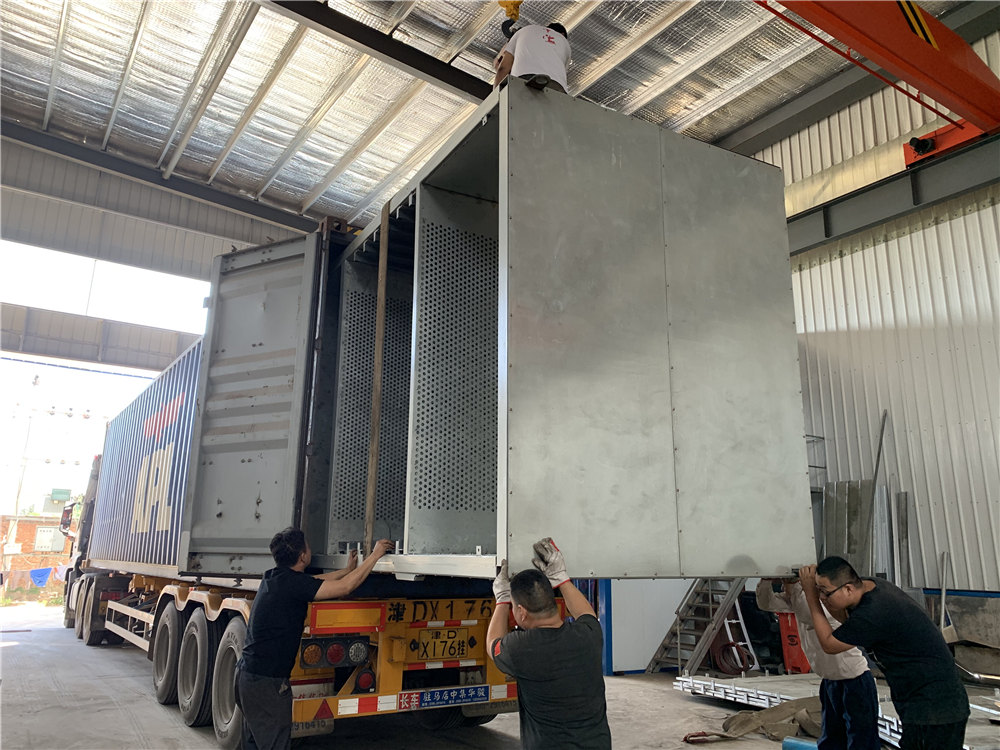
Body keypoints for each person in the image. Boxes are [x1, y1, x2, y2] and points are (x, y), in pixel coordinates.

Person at [236, 528, 392, 750]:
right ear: (302, 557)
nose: (310, 550)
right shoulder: (292, 585)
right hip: (266, 685)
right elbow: (346, 587)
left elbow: (315, 581)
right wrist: (375, 555)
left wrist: (347, 570)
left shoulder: (275, 578)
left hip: (248, 678)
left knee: (254, 743)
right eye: (308, 547)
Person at [799, 556, 970, 750]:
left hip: (934, 708)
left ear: (848, 588)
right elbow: (847, 620)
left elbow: (829, 644)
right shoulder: (870, 587)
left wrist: (811, 597)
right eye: (819, 591)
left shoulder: (874, 612)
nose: (822, 597)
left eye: (825, 592)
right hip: (924, 701)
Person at [487, 537, 612, 749]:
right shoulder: (588, 635)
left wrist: (502, 600)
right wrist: (562, 579)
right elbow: (586, 613)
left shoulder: (520, 649)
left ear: (522, 612)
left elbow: (492, 644)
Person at [756, 578, 880, 749]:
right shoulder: (800, 601)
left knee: (861, 741)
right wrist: (765, 581)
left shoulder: (826, 605)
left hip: (855, 681)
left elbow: (807, 614)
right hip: (830, 682)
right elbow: (766, 603)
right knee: (831, 739)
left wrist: (796, 584)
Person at [493, 23, 571, 93]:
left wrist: (495, 98)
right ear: (562, 34)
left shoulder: (525, 30)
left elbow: (503, 68)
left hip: (522, 81)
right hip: (558, 88)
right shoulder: (565, 43)